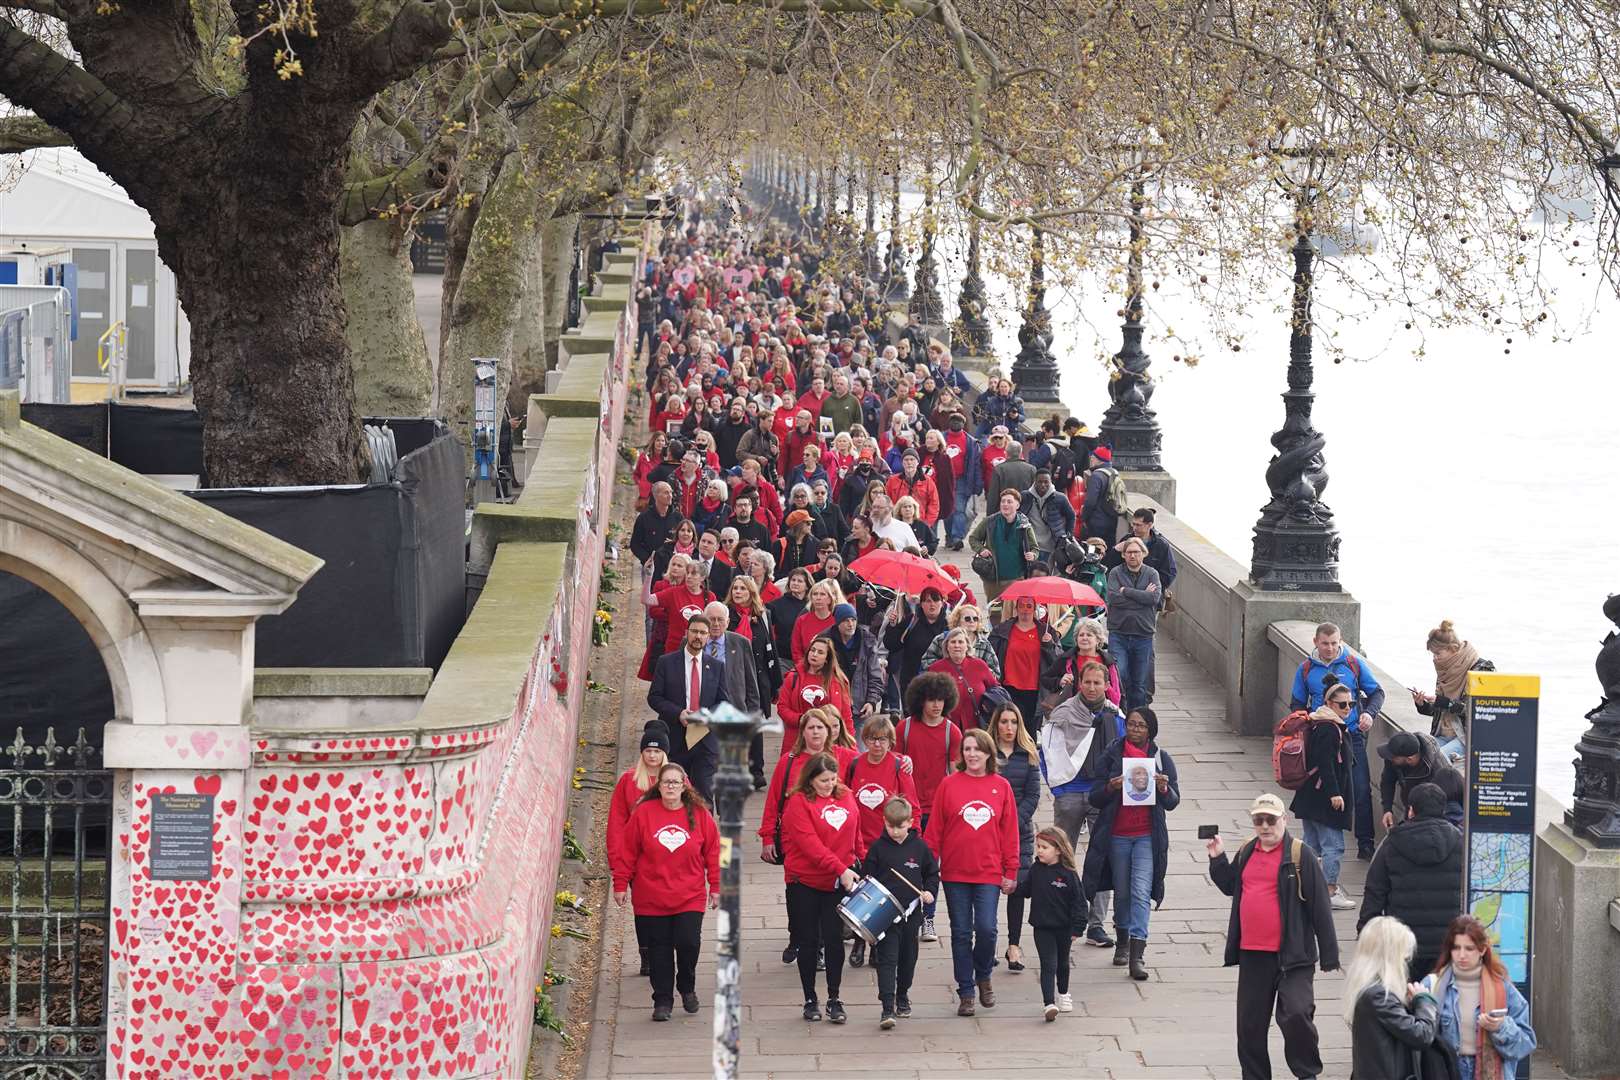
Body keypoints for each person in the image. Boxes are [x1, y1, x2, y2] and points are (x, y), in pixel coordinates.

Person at [1208, 793, 1340, 1080]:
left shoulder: (1299, 854)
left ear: (1284, 819)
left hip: (1294, 956)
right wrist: (1218, 858)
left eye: (1270, 819)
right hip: (1253, 954)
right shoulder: (1246, 851)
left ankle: (1307, 1073)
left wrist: (1330, 956)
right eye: (1259, 820)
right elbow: (1231, 886)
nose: (1265, 826)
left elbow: (1320, 908)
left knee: (1296, 1014)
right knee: (1250, 1027)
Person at [612, 762, 721, 1022]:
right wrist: (620, 883)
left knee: (688, 943)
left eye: (676, 782)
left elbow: (714, 852)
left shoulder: (699, 814)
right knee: (659, 949)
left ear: (685, 786)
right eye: (666, 782)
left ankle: (687, 986)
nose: (671, 786)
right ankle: (662, 999)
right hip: (652, 895)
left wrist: (716, 886)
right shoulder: (644, 813)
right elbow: (627, 851)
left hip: (689, 894)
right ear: (658, 786)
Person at [925, 727, 1019, 1017]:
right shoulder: (949, 785)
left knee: (988, 930)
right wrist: (928, 869)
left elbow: (1010, 831)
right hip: (955, 874)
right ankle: (966, 991)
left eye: (978, 749)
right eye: (967, 749)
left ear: (989, 753)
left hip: (989, 872)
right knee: (961, 932)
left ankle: (984, 975)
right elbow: (934, 831)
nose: (972, 754)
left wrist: (1011, 869)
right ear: (961, 754)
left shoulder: (1001, 786)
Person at [1083, 707, 1179, 980]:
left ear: (1150, 730)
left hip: (1147, 836)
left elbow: (1173, 801)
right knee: (1122, 892)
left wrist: (1163, 788)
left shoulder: (1161, 758)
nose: (1135, 730)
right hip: (1117, 835)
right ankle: (1122, 939)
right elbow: (1094, 798)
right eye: (1132, 725)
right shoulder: (1112, 755)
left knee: (1140, 891)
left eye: (1141, 726)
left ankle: (1137, 953)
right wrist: (1110, 788)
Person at [1041, 661, 1125, 949]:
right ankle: (1063, 915)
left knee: (1102, 859)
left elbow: (1128, 753)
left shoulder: (1116, 716)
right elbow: (1048, 752)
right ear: (1079, 683)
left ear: (1106, 685)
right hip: (1070, 795)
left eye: (1097, 683)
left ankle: (1096, 924)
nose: (1091, 687)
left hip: (1104, 795)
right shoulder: (1063, 713)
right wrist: (1059, 789)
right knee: (1062, 857)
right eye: (1087, 682)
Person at [1289, 622, 1385, 860]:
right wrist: (1306, 720)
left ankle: (1365, 844)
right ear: (1315, 643)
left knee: (1360, 789)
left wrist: (1368, 714)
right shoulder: (1306, 669)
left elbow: (1377, 693)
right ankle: (1320, 845)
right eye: (1325, 643)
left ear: (1340, 642)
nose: (1330, 648)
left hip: (1351, 736)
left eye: (1334, 643)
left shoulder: (1354, 664)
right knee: (1322, 786)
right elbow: (1297, 704)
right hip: (1320, 736)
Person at [779, 752, 861, 1024]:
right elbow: (810, 846)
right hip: (805, 881)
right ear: (811, 779)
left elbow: (855, 830)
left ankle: (835, 997)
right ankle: (810, 998)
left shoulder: (846, 795)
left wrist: (860, 860)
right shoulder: (798, 803)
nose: (829, 784)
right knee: (809, 941)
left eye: (833, 778)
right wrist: (841, 868)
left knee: (835, 939)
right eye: (823, 780)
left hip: (839, 881)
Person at [1357, 782, 1463, 979]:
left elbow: (1374, 892)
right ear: (1443, 809)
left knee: (1403, 1002)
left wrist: (1365, 932)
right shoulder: (1460, 842)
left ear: (1411, 811)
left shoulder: (1392, 843)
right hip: (1447, 945)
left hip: (1402, 944)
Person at [896, 671, 964, 942]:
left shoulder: (952, 731)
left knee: (932, 868)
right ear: (920, 701)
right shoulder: (905, 728)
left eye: (940, 699)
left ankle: (929, 918)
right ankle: (905, 915)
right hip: (910, 808)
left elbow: (956, 773)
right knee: (906, 865)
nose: (936, 705)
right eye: (930, 699)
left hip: (938, 810)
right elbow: (895, 761)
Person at [860, 796, 939, 1029]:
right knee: (888, 960)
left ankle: (902, 994)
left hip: (911, 914)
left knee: (908, 959)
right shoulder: (877, 848)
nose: (894, 831)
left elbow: (932, 874)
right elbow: (868, 879)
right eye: (890, 826)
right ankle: (887, 1007)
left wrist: (929, 892)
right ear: (884, 822)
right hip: (885, 915)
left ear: (911, 822)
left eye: (900, 826)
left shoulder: (920, 847)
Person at [1433, 914, 1538, 1079]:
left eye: (1469, 948)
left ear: (1482, 950)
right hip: (1448, 1070)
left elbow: (1526, 1044)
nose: (1461, 955)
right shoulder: (1434, 985)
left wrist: (1501, 1027)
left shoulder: (1503, 988)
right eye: (1456, 947)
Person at [607, 721, 672, 978]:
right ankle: (647, 953)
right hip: (639, 860)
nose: (653, 755)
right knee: (644, 909)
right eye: (648, 751)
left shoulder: (676, 779)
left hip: (670, 858)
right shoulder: (629, 781)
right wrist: (617, 863)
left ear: (664, 753)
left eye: (657, 751)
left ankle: (665, 948)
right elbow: (616, 824)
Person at [1345, 916, 1440, 1080]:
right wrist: (1424, 1000)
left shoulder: (1368, 989)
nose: (1405, 962)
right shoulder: (1379, 996)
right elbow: (1422, 1035)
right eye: (1404, 956)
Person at [1289, 682, 1357, 910]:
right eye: (1343, 704)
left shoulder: (1319, 722)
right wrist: (1335, 793)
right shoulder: (1329, 728)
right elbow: (1326, 764)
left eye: (1351, 703)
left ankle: (1306, 888)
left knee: (1311, 845)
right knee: (1333, 846)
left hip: (1310, 795)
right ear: (1329, 703)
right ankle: (1329, 891)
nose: (1348, 708)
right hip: (1324, 798)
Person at [647, 614, 730, 799]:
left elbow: (724, 702)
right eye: (694, 631)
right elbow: (654, 697)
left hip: (705, 740)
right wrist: (678, 713)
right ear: (687, 632)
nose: (698, 636)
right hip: (675, 738)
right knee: (673, 793)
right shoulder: (666, 662)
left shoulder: (716, 666)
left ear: (708, 636)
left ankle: (704, 828)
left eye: (703, 633)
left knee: (704, 794)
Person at [987, 703, 1042, 976]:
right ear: (996, 724)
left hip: (1019, 832)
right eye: (1004, 722)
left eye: (1013, 722)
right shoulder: (987, 755)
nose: (1009, 728)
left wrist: (1011, 822)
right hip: (987, 832)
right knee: (987, 890)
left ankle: (1013, 944)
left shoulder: (1029, 754)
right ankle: (987, 943)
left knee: (1017, 889)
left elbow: (1033, 796)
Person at [1015, 827, 1087, 1021]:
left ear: (1058, 849)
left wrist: (1077, 928)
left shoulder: (1068, 874)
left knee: (1062, 963)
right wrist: (1013, 888)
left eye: (1044, 847)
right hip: (1042, 927)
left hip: (1064, 928)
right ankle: (1049, 1003)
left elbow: (1079, 902)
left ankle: (1063, 994)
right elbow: (1026, 890)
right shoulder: (1036, 869)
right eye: (1038, 846)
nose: (1039, 851)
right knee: (1048, 964)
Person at [1413, 620, 1494, 763]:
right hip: (1443, 733)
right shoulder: (1445, 669)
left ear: (1453, 648)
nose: (1435, 658)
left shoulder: (1482, 670)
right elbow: (1439, 711)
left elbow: (1481, 711)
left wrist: (1443, 702)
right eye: (1432, 654)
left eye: (1438, 653)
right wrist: (1423, 705)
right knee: (1414, 753)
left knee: (1438, 760)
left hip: (1468, 738)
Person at [987, 596, 1063, 738]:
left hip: (1035, 690)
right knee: (1010, 729)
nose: (1025, 610)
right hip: (1009, 687)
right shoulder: (1002, 630)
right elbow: (989, 654)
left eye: (1029, 606)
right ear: (1016, 609)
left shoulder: (1046, 632)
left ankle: (1030, 758)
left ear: (1035, 609)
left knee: (1030, 731)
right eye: (1021, 606)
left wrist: (1049, 645)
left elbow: (1058, 661)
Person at [1105, 536, 1161, 711]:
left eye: (1136, 552)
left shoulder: (1152, 573)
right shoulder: (1115, 573)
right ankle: (1120, 711)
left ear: (1143, 554)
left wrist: (1126, 591)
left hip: (1143, 634)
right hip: (1119, 632)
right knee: (1120, 673)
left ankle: (1137, 716)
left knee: (1139, 681)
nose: (1132, 556)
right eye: (1129, 552)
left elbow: (1154, 598)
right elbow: (1113, 598)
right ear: (1123, 555)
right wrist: (1140, 596)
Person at [777, 636, 855, 748]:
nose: (814, 654)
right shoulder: (792, 677)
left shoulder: (838, 681)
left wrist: (851, 745)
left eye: (820, 652)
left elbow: (845, 716)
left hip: (829, 744)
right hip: (797, 741)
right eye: (812, 650)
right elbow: (782, 707)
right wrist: (802, 719)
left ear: (827, 658)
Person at [1378, 730, 1466, 830]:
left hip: (1432, 814)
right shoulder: (1395, 754)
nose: (1389, 759)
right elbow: (1387, 781)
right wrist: (1387, 809)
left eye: (1393, 757)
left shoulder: (1436, 769)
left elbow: (1439, 805)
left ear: (1409, 759)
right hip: (1411, 804)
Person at [968, 490, 1038, 605]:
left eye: (1009, 502)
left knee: (1013, 613)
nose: (1005, 504)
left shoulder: (1024, 524)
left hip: (1016, 578)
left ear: (1017, 505)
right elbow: (973, 538)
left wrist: (1033, 555)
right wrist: (981, 550)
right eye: (1003, 501)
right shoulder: (990, 521)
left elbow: (1035, 548)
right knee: (994, 612)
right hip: (993, 579)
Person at [929, 628, 1001, 732]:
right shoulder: (936, 669)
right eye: (953, 642)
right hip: (946, 728)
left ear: (967, 646)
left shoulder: (980, 665)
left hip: (977, 728)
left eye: (960, 642)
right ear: (947, 646)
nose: (957, 645)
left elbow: (995, 689)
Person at [883, 587, 950, 694]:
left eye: (936, 600)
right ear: (921, 604)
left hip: (940, 683)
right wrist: (892, 626)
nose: (932, 604)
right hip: (912, 682)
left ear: (942, 603)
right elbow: (891, 644)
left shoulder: (948, 626)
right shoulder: (912, 621)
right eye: (928, 601)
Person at [918, 603, 1002, 678]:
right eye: (967, 619)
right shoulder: (943, 639)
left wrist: (978, 670)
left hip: (973, 690)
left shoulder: (984, 644)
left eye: (975, 619)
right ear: (957, 621)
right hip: (947, 686)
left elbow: (996, 673)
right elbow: (926, 661)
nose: (972, 621)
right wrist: (946, 668)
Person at [1057, 616, 1122, 706]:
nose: (1084, 638)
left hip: (1101, 709)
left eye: (1089, 635)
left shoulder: (1108, 661)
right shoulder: (1066, 658)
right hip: (1072, 710)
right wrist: (1060, 681)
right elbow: (1047, 679)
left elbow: (1120, 692)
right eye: (1081, 635)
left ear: (1098, 640)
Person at [1020, 470, 1076, 569]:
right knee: (1030, 576)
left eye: (1046, 482)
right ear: (1034, 482)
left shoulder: (1060, 498)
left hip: (1050, 546)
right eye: (1040, 482)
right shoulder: (1025, 496)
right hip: (1030, 546)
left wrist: (1069, 535)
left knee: (1045, 576)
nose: (1043, 485)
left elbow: (1071, 516)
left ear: (1051, 482)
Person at [790, 578, 844, 665]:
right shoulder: (802, 620)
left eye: (822, 594)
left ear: (830, 599)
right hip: (806, 668)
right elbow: (796, 649)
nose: (818, 598)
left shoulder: (837, 621)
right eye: (815, 594)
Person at [1079, 446, 1123, 543]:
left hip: (1096, 522)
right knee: (1107, 549)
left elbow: (1090, 501)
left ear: (1100, 460)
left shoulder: (1096, 476)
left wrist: (1084, 518)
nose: (1090, 460)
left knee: (1092, 549)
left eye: (1093, 458)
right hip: (1112, 520)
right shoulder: (1114, 473)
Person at [630, 481, 680, 565]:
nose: (670, 496)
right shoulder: (643, 518)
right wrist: (646, 558)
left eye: (671, 492)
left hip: (673, 566)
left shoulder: (678, 517)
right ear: (656, 495)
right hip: (651, 566)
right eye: (666, 493)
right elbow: (635, 544)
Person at [988, 440, 1036, 504]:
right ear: (1020, 453)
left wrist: (991, 513)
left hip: (1005, 508)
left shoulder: (999, 469)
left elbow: (993, 496)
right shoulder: (1031, 469)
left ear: (1006, 453)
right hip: (1026, 509)